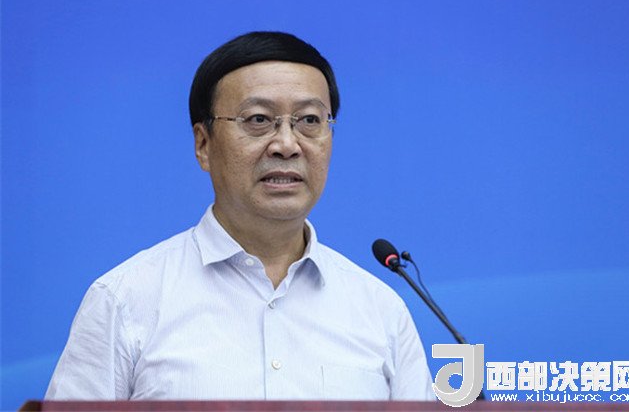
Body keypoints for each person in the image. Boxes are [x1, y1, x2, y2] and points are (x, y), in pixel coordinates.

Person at [45, 31, 434, 401]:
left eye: (309, 120)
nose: (286, 144)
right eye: (258, 119)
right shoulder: (126, 300)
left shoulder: (380, 310)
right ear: (203, 145)